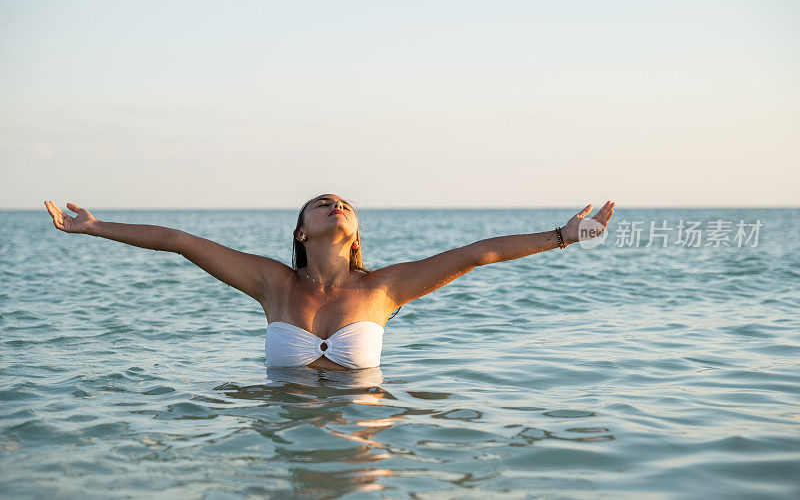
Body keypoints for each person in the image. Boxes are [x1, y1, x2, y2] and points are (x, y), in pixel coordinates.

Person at [44, 195, 616, 371]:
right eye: (321, 204)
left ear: (355, 230)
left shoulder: (385, 288)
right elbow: (182, 241)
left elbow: (480, 253)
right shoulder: (271, 282)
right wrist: (94, 228)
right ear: (300, 232)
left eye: (343, 204)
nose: (334, 205)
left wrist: (562, 236)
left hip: (365, 434)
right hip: (282, 431)